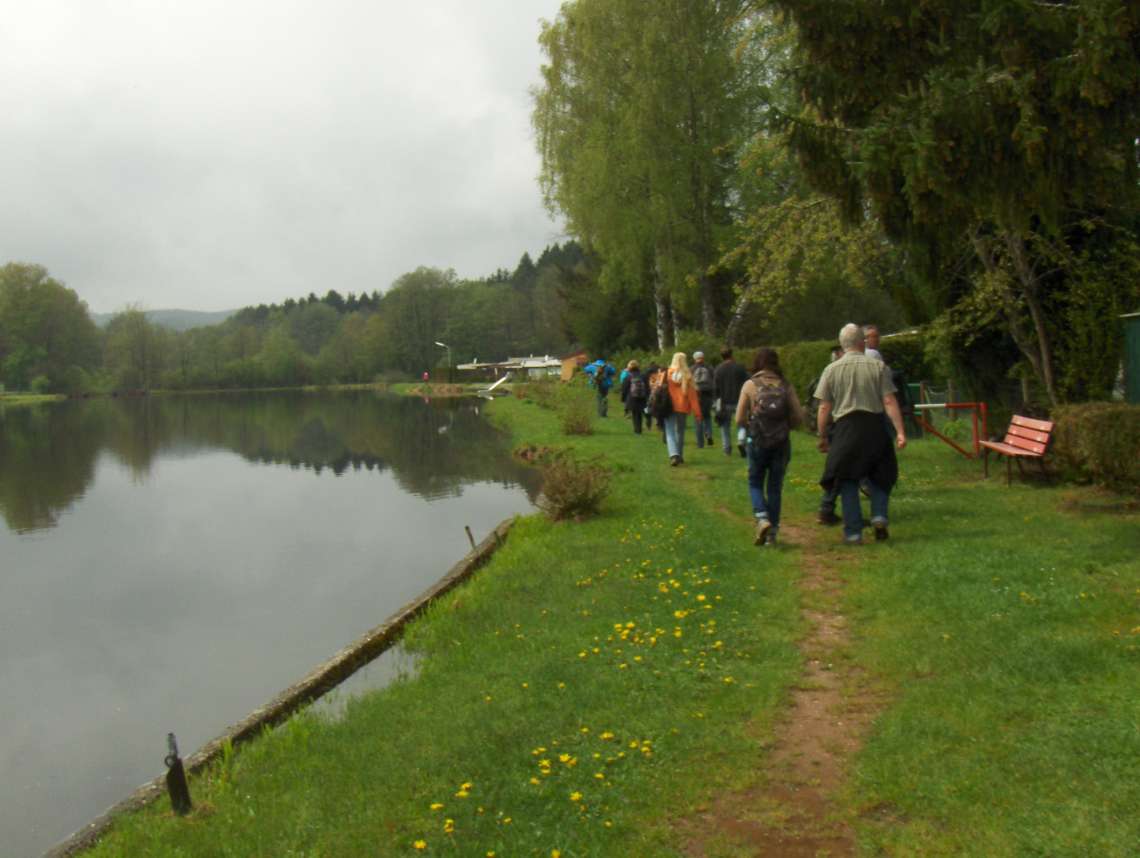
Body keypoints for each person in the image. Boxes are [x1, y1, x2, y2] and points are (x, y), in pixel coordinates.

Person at [815, 323, 907, 544]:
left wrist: (822, 435)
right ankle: (879, 516)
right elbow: (889, 400)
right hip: (875, 426)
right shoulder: (878, 366)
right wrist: (900, 432)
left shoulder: (831, 370)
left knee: (847, 479)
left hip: (846, 429)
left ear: (842, 345)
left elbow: (824, 407)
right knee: (881, 474)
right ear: (862, 343)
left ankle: (854, 532)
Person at [735, 348, 806, 546]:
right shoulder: (785, 385)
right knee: (775, 487)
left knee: (755, 481)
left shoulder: (750, 385)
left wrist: (750, 425)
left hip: (758, 441)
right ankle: (772, 534)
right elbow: (799, 416)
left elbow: (739, 418)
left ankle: (761, 517)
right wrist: (786, 426)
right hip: (781, 443)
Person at [664, 352, 702, 466]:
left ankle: (673, 455)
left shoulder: (667, 373)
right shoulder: (687, 375)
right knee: (680, 432)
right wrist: (697, 413)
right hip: (682, 407)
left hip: (669, 406)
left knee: (670, 431)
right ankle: (679, 456)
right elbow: (693, 397)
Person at [713, 347, 749, 456]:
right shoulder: (740, 368)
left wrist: (716, 401)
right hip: (739, 400)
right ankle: (741, 440)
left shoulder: (718, 369)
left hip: (724, 402)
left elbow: (715, 387)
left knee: (724, 426)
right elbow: (748, 383)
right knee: (742, 423)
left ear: (722, 356)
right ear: (732, 355)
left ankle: (727, 449)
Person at [691, 351, 716, 448]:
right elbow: (714, 380)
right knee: (707, 416)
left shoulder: (692, 369)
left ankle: (700, 443)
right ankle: (709, 434)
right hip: (707, 395)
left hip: (696, 395)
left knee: (697, 418)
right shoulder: (709, 368)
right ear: (703, 358)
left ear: (694, 359)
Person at [620, 360, 649, 434]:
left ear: (629, 367)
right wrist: (647, 396)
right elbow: (647, 387)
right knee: (641, 413)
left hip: (632, 397)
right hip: (642, 397)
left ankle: (637, 430)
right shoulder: (643, 376)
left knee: (635, 414)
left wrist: (623, 398)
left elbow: (624, 388)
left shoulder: (628, 376)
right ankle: (647, 419)